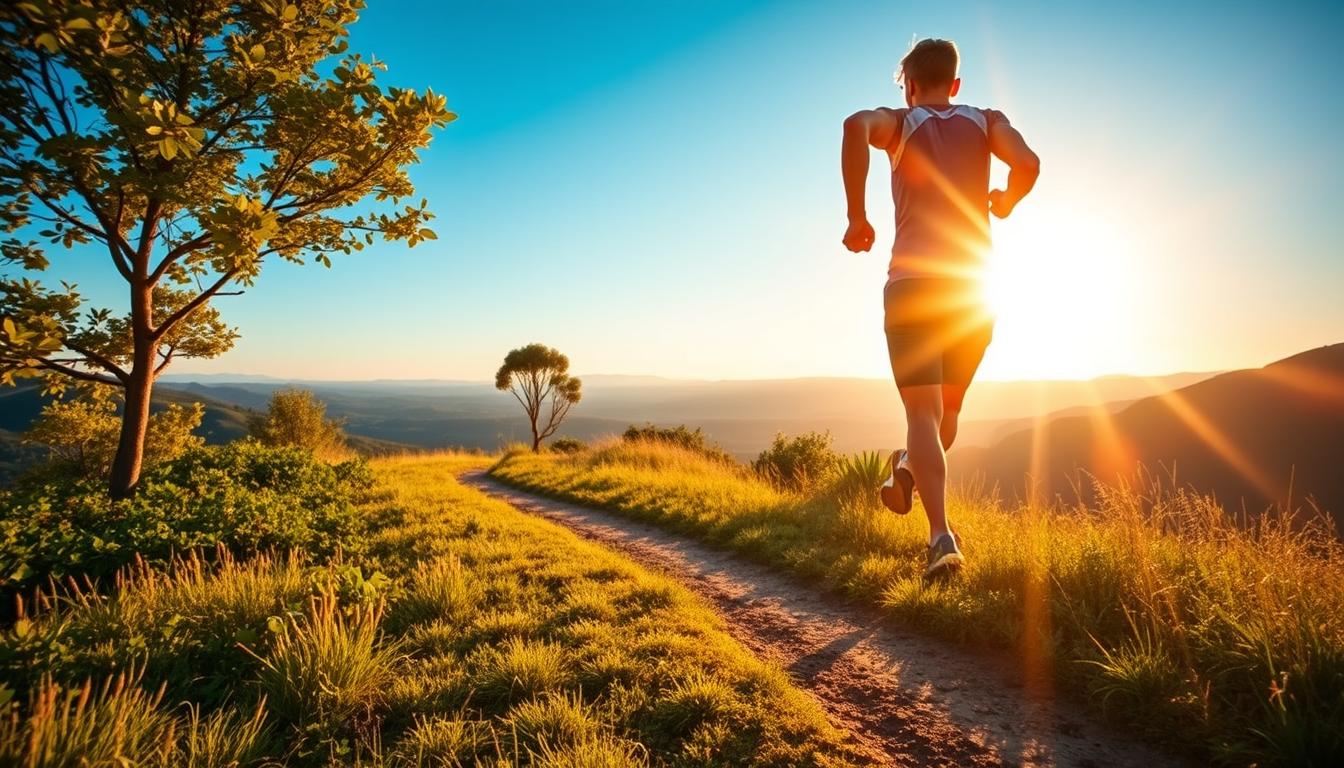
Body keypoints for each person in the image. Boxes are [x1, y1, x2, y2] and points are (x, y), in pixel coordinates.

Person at [840, 38, 1039, 580]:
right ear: (955, 83)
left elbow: (854, 126)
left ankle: (940, 536)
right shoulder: (987, 120)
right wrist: (1007, 199)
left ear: (908, 84)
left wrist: (857, 216)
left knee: (924, 417)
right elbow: (1029, 163)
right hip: (974, 292)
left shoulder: (900, 124)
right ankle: (908, 470)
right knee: (947, 415)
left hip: (913, 288)